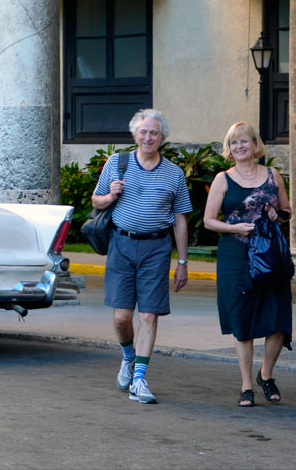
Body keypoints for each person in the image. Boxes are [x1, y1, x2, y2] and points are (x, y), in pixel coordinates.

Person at [91, 109, 191, 404]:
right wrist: (110, 197)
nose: (148, 137)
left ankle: (139, 379)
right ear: (135, 134)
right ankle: (128, 357)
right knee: (123, 316)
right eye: (144, 132)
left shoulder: (174, 174)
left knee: (149, 314)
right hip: (121, 244)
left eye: (154, 133)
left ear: (162, 138)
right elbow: (96, 200)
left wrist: (182, 262)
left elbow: (181, 219)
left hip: (156, 249)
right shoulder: (117, 163)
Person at [203, 121, 293, 408]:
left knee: (277, 318)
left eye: (245, 141)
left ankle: (266, 375)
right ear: (229, 149)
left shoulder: (273, 175)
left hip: (269, 255)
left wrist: (277, 215)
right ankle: (245, 386)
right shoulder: (222, 179)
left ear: (256, 145)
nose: (240, 146)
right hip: (235, 254)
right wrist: (234, 229)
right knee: (242, 318)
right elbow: (209, 220)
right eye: (234, 143)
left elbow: (287, 210)